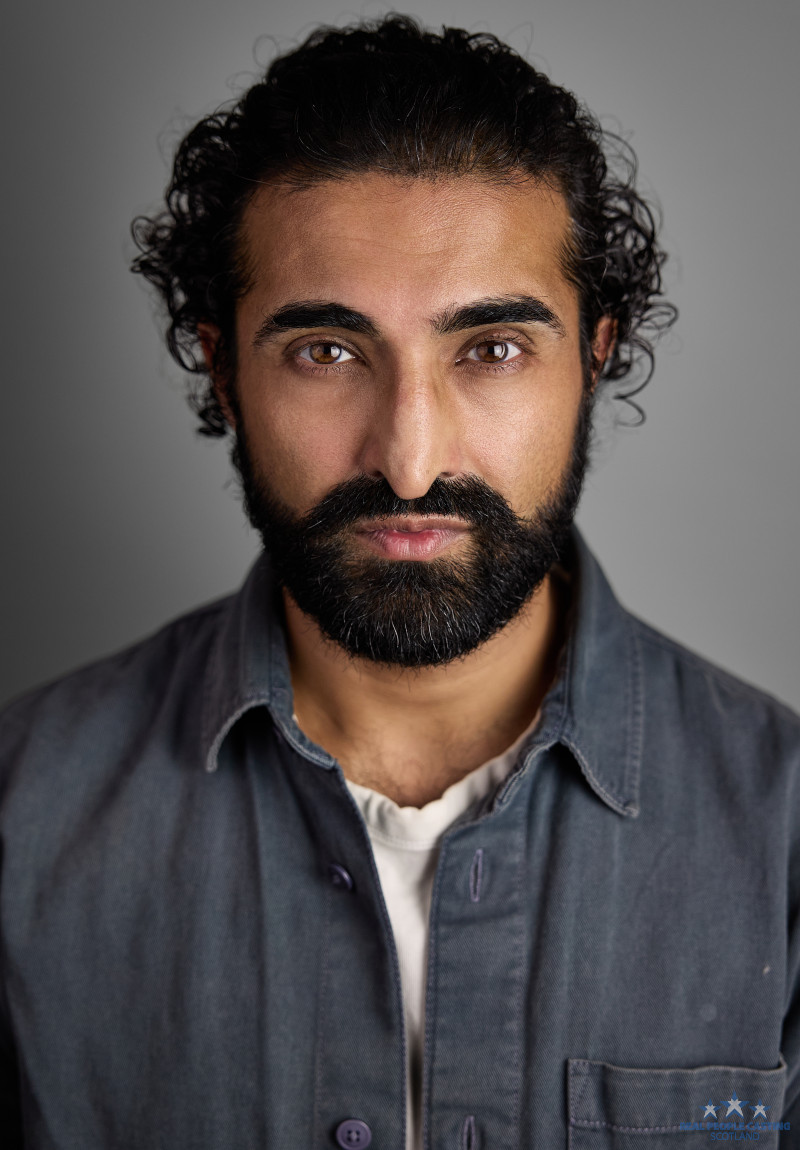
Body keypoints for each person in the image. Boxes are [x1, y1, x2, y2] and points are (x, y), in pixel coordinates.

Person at [1, 14, 798, 1149]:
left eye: (491, 349)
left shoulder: (782, 835)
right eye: (326, 353)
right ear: (223, 372)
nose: (410, 460)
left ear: (594, 359)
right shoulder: (21, 817)